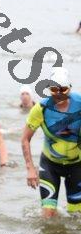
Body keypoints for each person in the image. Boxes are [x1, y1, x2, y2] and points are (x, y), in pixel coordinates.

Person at [21, 68, 81, 217]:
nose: (59, 94)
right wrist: (30, 169)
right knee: (48, 215)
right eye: (54, 89)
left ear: (70, 88)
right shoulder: (41, 109)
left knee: (76, 216)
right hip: (50, 165)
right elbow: (25, 139)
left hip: (77, 166)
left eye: (63, 89)